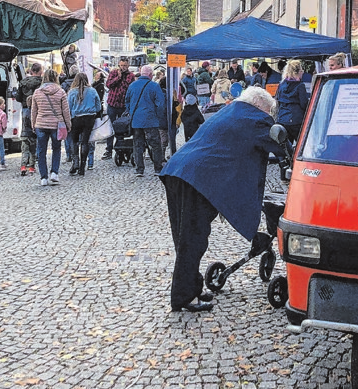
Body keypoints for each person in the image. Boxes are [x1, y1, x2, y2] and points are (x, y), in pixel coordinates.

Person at [159, 87, 285, 312]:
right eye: (268, 112)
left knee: (184, 238)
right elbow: (280, 146)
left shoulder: (230, 111)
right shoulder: (255, 118)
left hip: (177, 170)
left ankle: (192, 288)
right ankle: (184, 297)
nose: (269, 118)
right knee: (193, 239)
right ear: (258, 106)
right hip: (197, 179)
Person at [31, 68, 71, 186]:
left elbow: (34, 111)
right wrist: (68, 125)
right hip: (56, 124)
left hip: (41, 124)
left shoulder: (37, 92)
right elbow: (66, 111)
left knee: (41, 151)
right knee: (56, 148)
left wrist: (33, 124)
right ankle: (54, 173)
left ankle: (43, 177)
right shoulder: (61, 92)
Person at [126, 65, 167, 177]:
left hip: (136, 120)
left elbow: (127, 102)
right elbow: (160, 104)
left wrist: (132, 113)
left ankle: (139, 169)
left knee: (138, 144)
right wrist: (157, 116)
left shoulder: (132, 86)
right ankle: (157, 168)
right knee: (155, 144)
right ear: (150, 74)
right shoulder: (154, 86)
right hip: (150, 120)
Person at [67, 73, 101, 177]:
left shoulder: (72, 92)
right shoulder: (92, 91)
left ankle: (75, 162)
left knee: (74, 141)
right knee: (85, 142)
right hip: (89, 118)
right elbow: (98, 106)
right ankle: (82, 167)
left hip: (76, 118)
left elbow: (68, 107)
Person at [102, 57, 134, 159]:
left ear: (128, 66)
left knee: (121, 128)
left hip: (123, 106)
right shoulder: (113, 73)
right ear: (119, 65)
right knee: (110, 127)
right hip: (112, 104)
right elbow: (108, 84)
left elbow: (128, 88)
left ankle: (121, 148)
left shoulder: (131, 76)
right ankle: (109, 149)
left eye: (125, 65)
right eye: (121, 65)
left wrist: (122, 79)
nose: (123, 67)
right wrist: (117, 78)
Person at [16, 63, 44, 175]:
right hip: (39, 109)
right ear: (40, 71)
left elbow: (18, 97)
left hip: (26, 108)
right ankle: (34, 160)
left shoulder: (23, 82)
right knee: (37, 134)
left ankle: (25, 162)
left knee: (26, 132)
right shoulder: (42, 83)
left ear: (31, 71)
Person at [275, 59, 310, 143]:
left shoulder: (281, 84)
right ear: (299, 71)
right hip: (296, 119)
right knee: (301, 145)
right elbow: (304, 104)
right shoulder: (300, 86)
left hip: (282, 119)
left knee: (286, 148)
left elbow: (277, 100)